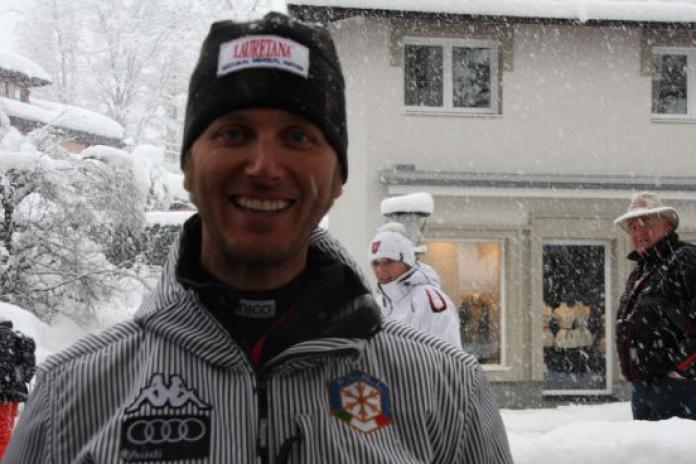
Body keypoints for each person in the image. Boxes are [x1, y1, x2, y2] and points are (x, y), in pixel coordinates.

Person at [4, 12, 512, 462]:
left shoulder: (446, 391)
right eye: (234, 133)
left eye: (298, 136)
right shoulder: (73, 398)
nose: (264, 167)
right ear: (188, 167)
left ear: (338, 176)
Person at [614, 191, 696, 420]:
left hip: (682, 389)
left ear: (666, 226)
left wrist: (681, 371)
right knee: (646, 445)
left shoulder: (685, 259)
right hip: (645, 387)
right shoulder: (641, 272)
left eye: (645, 223)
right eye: (632, 227)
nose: (638, 232)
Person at [369, 227, 463, 349]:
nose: (380, 269)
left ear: (406, 261)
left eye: (388, 261)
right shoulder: (378, 304)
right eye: (375, 263)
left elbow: (450, 355)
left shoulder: (428, 300)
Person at [0, 320, 35, 458]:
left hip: (6, 391)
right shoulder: (18, 339)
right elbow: (28, 372)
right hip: (10, 393)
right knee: (4, 433)